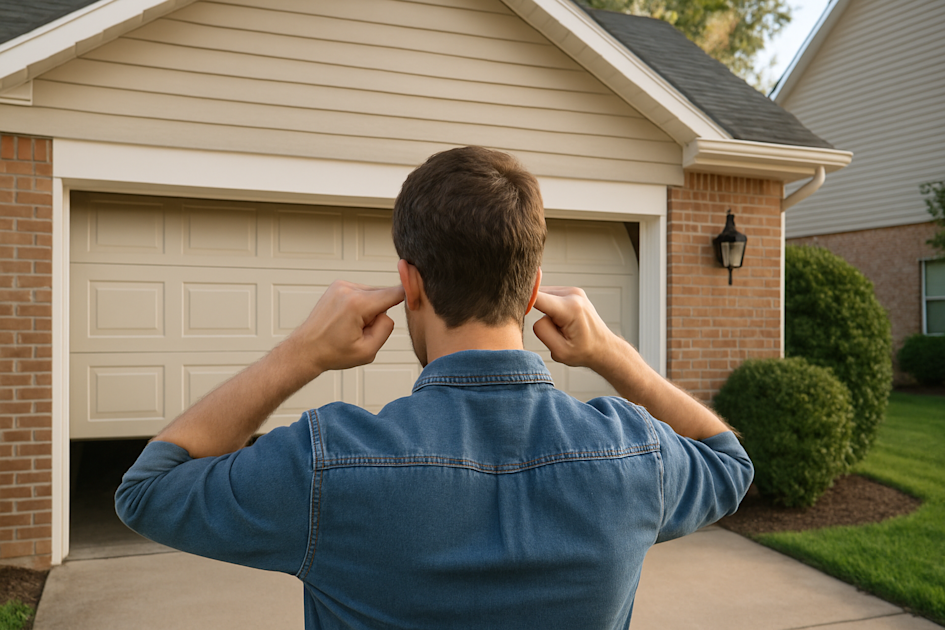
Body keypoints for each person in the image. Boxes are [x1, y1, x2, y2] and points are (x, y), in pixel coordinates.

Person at [116, 146, 753, 629]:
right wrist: (614, 356)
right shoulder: (635, 454)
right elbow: (729, 460)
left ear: (411, 283)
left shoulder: (328, 465)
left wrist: (299, 353)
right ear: (533, 287)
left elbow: (147, 489)